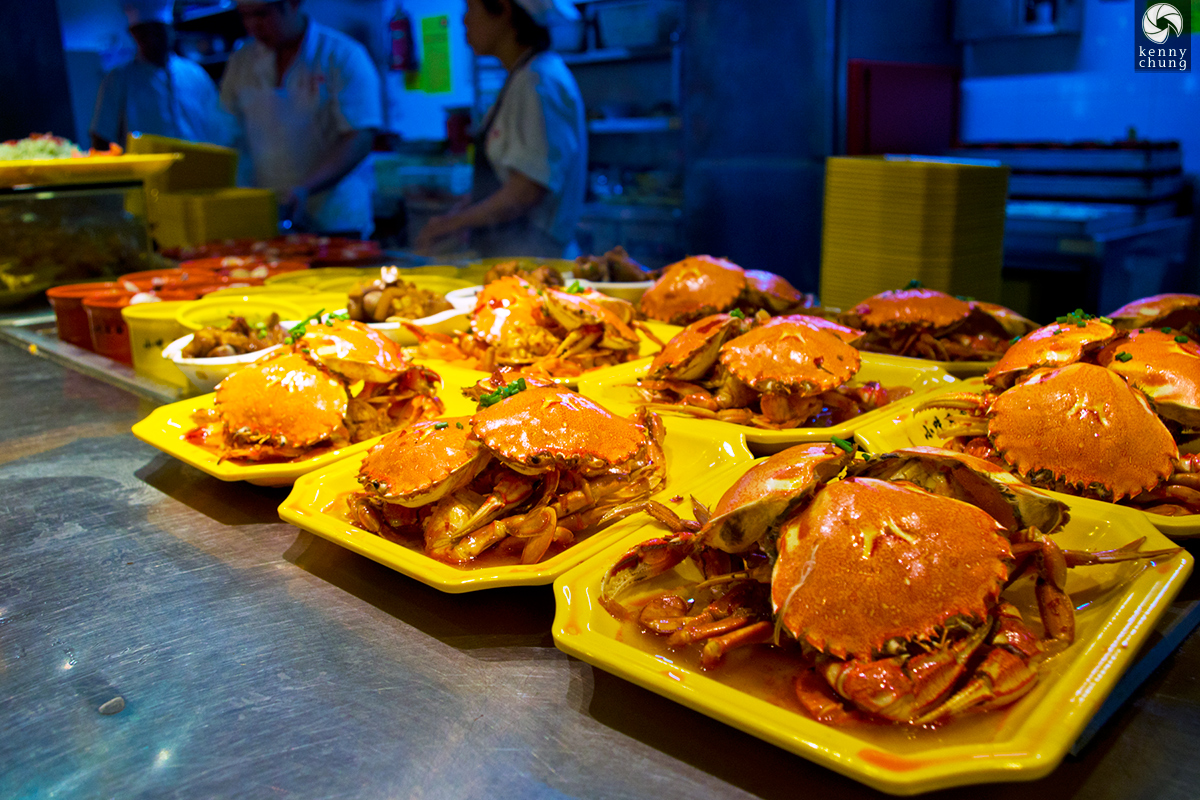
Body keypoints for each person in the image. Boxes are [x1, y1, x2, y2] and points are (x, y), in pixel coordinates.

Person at [415, 0, 586, 258]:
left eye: (471, 9)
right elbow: (504, 180)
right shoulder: (522, 77)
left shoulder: (538, 79)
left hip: (537, 261)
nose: (464, 21)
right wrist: (459, 214)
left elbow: (527, 189)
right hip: (512, 257)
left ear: (503, 10)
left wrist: (452, 223)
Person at [220, 0, 383, 239]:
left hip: (336, 219)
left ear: (293, 4)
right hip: (269, 217)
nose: (253, 25)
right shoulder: (241, 62)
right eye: (245, 16)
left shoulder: (343, 55)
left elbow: (359, 137)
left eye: (262, 14)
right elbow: (226, 132)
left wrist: (304, 189)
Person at [90, 0, 230, 151]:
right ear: (133, 34)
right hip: (144, 172)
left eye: (158, 30)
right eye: (145, 32)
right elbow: (102, 138)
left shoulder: (195, 75)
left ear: (170, 29)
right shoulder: (119, 79)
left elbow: (220, 129)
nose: (152, 39)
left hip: (195, 168)